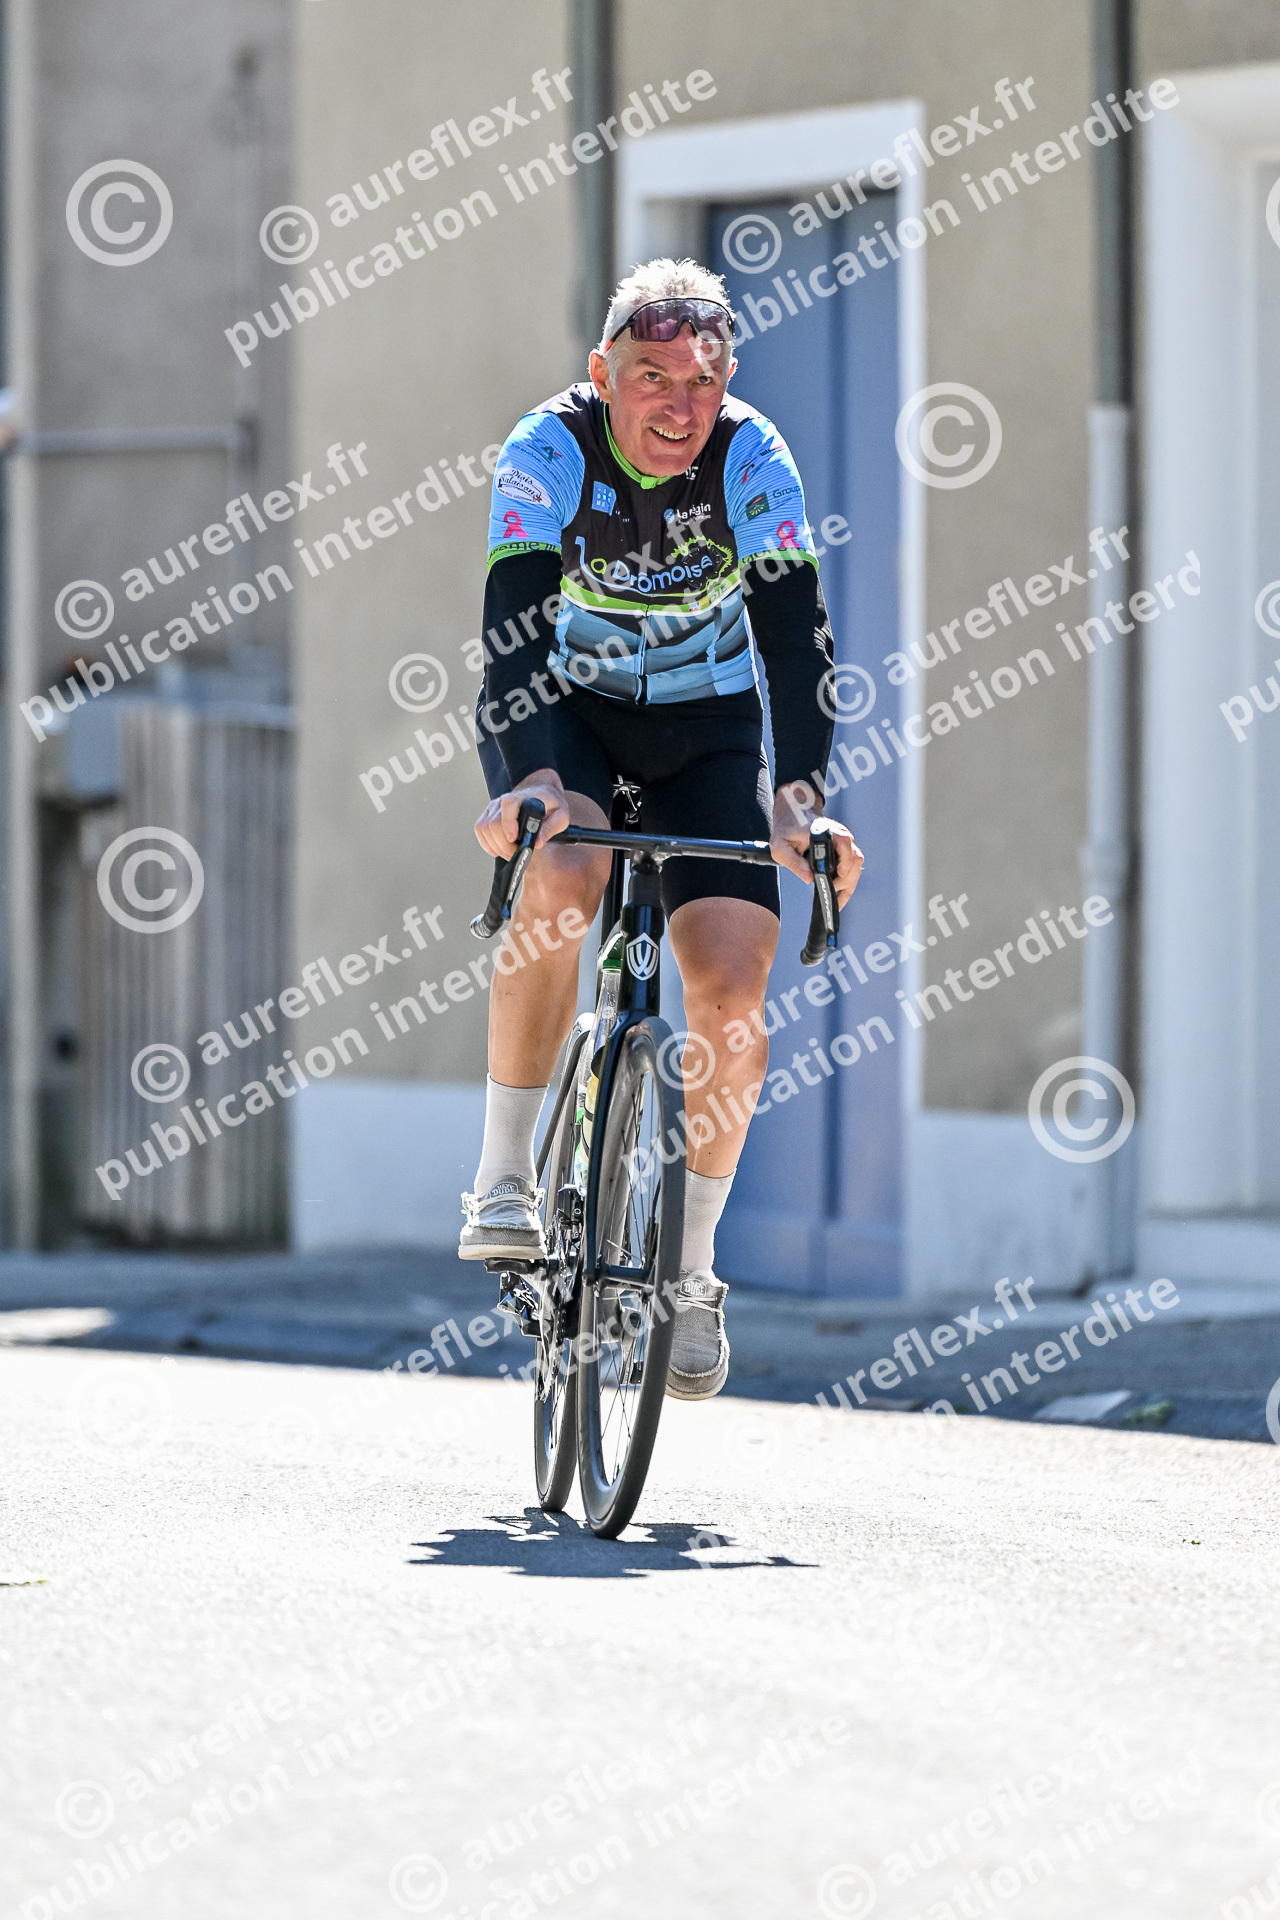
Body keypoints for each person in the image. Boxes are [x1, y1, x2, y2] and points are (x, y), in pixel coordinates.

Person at [459, 257, 862, 1400]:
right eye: (651, 376)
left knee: (731, 990)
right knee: (564, 873)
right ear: (602, 374)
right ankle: (502, 1175)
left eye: (703, 379)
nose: (680, 405)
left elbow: (794, 635)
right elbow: (512, 627)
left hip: (705, 731)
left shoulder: (752, 458)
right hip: (567, 716)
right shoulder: (546, 449)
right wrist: (532, 783)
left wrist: (799, 797)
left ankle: (688, 1270)